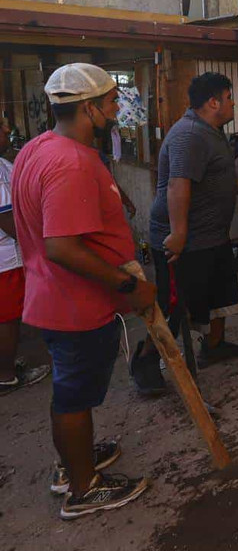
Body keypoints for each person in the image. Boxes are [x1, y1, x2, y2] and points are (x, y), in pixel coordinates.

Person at [12, 63, 155, 518]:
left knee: (70, 390)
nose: (117, 108)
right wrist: (128, 283)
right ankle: (83, 486)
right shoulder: (69, 162)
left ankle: (74, 462)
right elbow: (63, 248)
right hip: (74, 303)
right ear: (90, 109)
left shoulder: (37, 148)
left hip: (54, 297)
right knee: (73, 396)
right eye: (112, 102)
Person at [132, 73, 238, 394]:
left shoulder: (210, 131)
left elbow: (216, 172)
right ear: (214, 102)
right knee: (174, 308)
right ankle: (145, 364)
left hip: (211, 236)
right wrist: (178, 233)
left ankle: (214, 346)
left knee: (221, 295)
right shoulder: (189, 134)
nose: (232, 104)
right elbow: (178, 185)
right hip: (185, 241)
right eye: (230, 98)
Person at [0, 116, 51, 395]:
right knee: (6, 319)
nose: (8, 129)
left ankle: (4, 363)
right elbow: (10, 222)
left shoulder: (5, 163)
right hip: (5, 259)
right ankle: (6, 375)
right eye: (1, 126)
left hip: (8, 257)